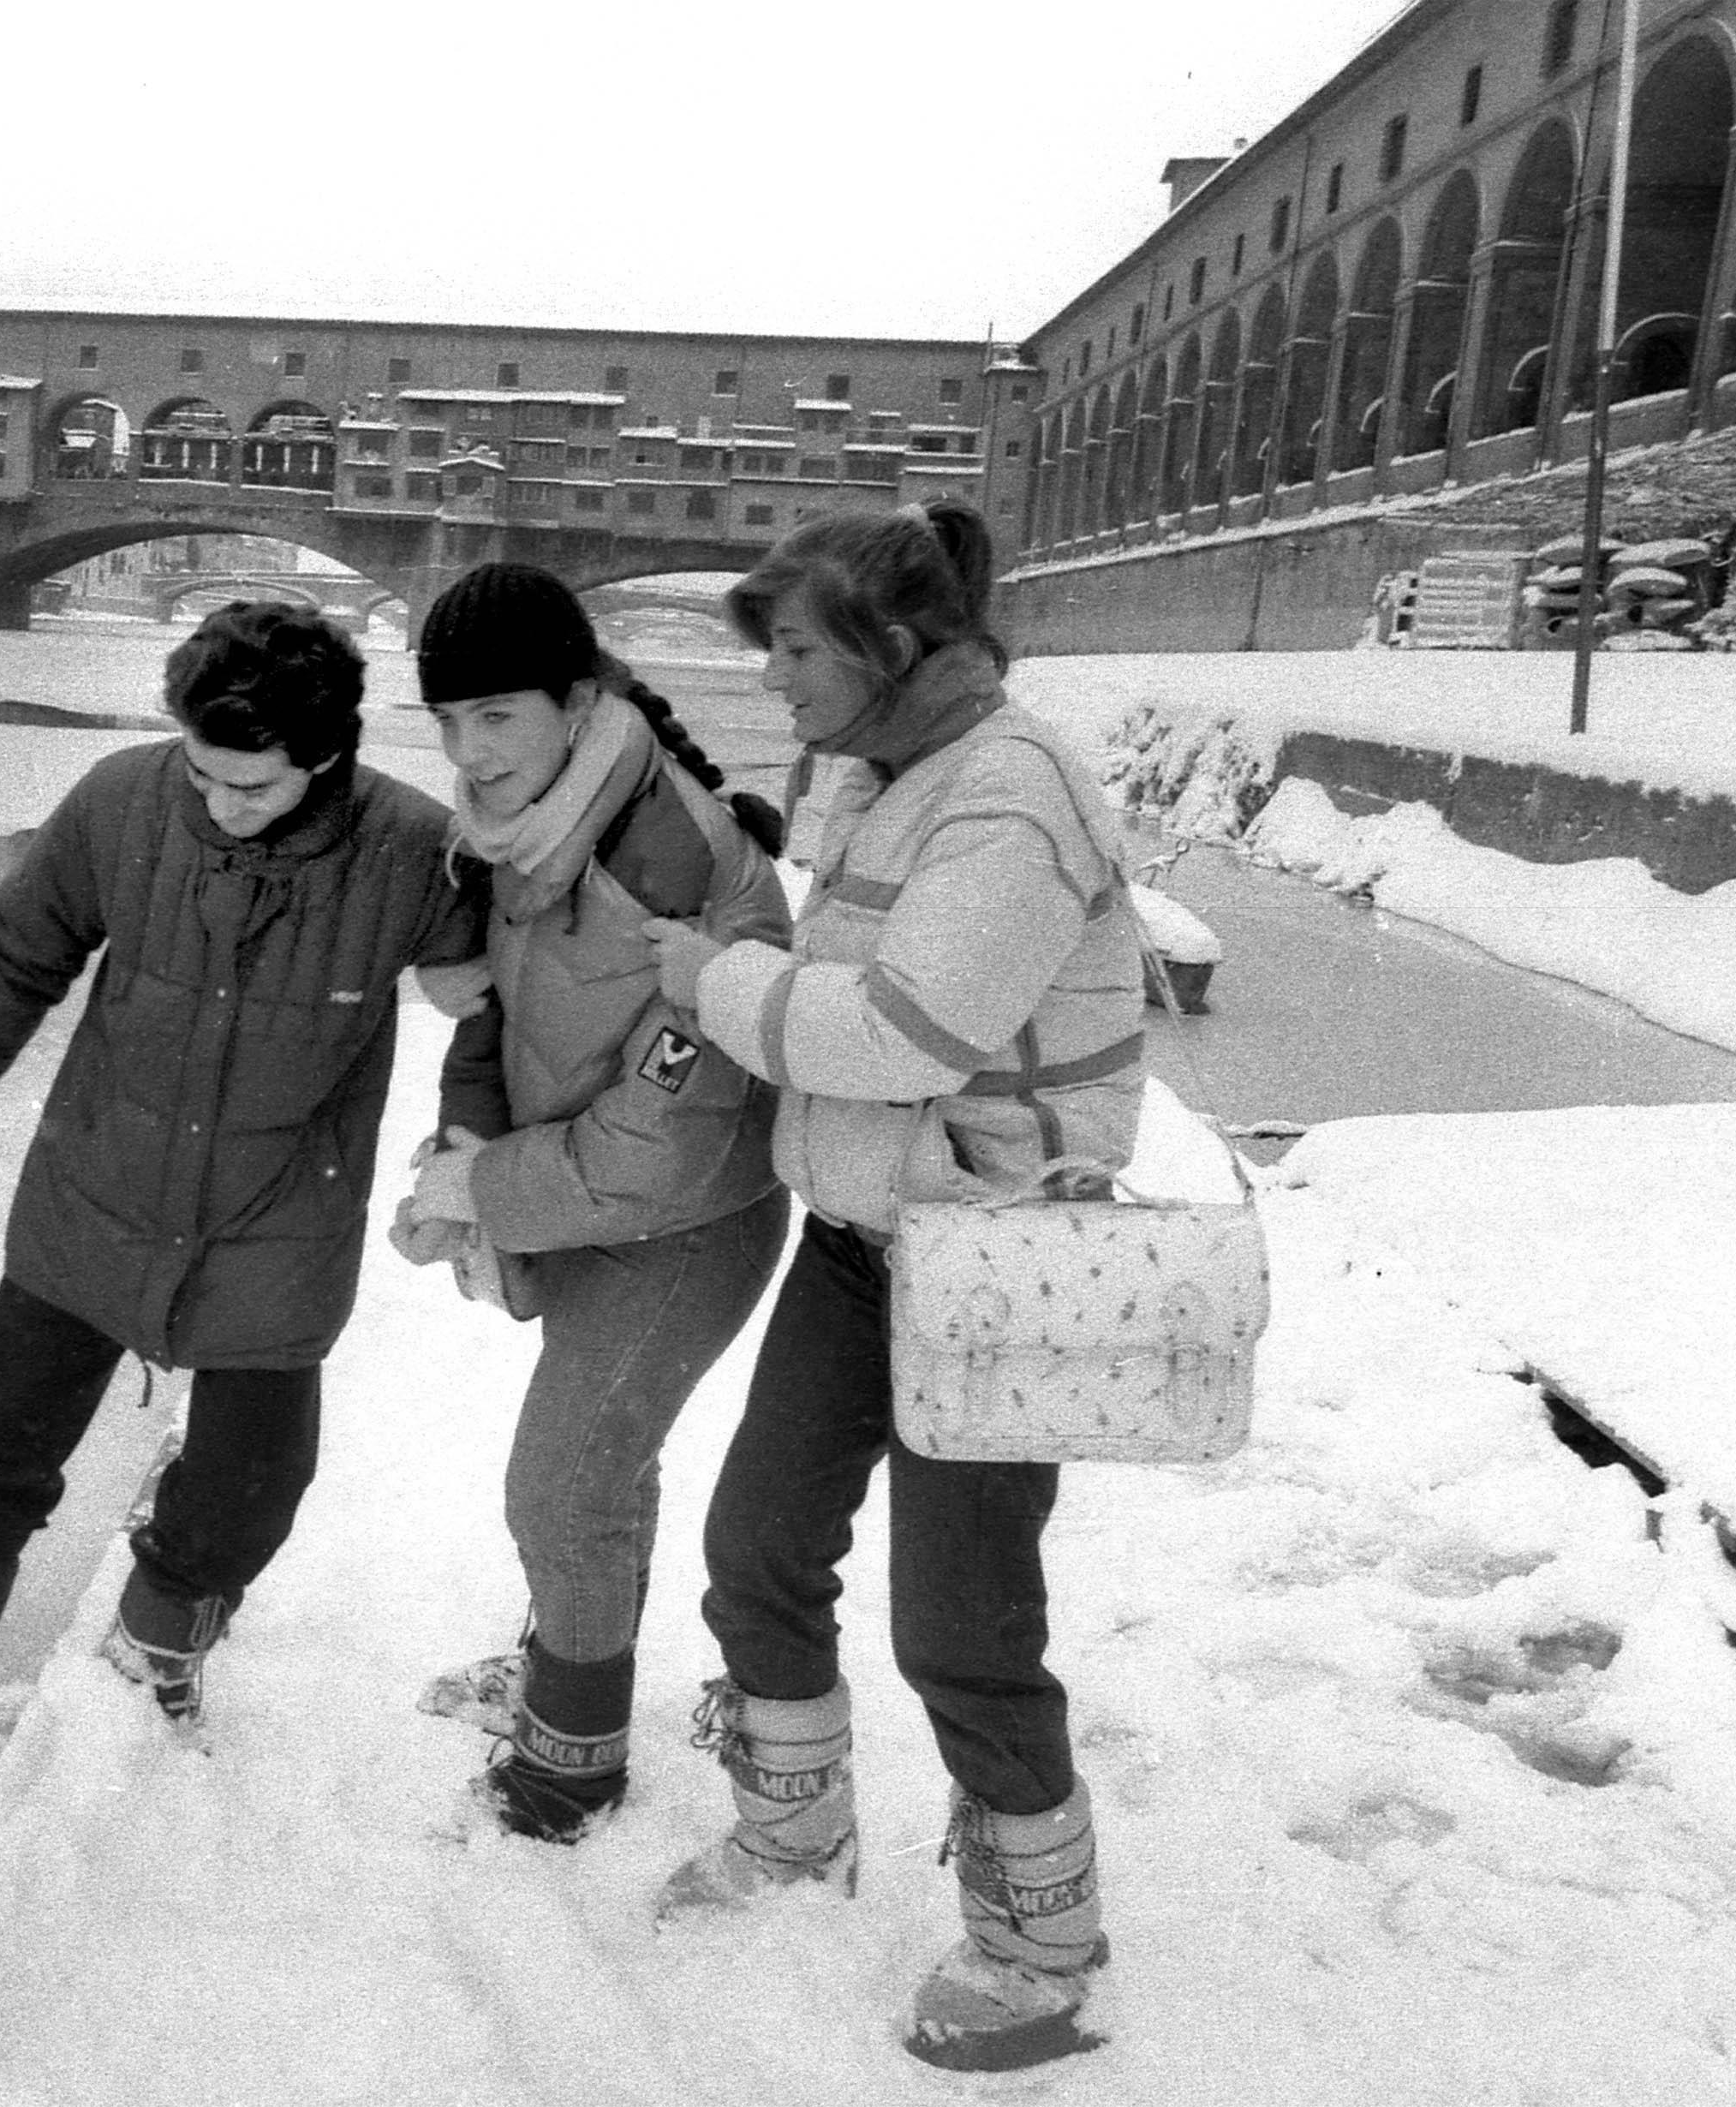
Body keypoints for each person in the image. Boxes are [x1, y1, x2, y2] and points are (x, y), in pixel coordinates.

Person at [0, 600, 490, 1794]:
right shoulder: (125, 801)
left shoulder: (414, 851)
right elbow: (18, 951)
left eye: (252, 789)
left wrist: (470, 1157)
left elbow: (495, 1006)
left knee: (250, 1489)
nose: (219, 805)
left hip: (278, 1219)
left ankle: (143, 1664)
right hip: (94, 1194)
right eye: (203, 775)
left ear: (328, 759)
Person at [641, 497, 1141, 2074]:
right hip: (862, 1240)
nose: (775, 679)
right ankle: (797, 1827)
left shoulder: (1013, 790)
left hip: (996, 1258)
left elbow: (905, 1032)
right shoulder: (881, 769)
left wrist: (710, 983)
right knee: (759, 1544)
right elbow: (847, 939)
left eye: (795, 649)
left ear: (894, 647)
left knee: (966, 1625)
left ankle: (1043, 1947)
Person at [389, 563, 794, 1843]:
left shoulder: (680, 865)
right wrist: (466, 1157)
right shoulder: (539, 824)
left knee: (560, 1485)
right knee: (598, 1471)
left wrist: (491, 1189)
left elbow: (660, 1149)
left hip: (684, 1229)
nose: (468, 752)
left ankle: (570, 1762)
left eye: (496, 716)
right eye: (449, 724)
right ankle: (580, 1662)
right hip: (589, 1205)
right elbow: (498, 1010)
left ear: (576, 699)